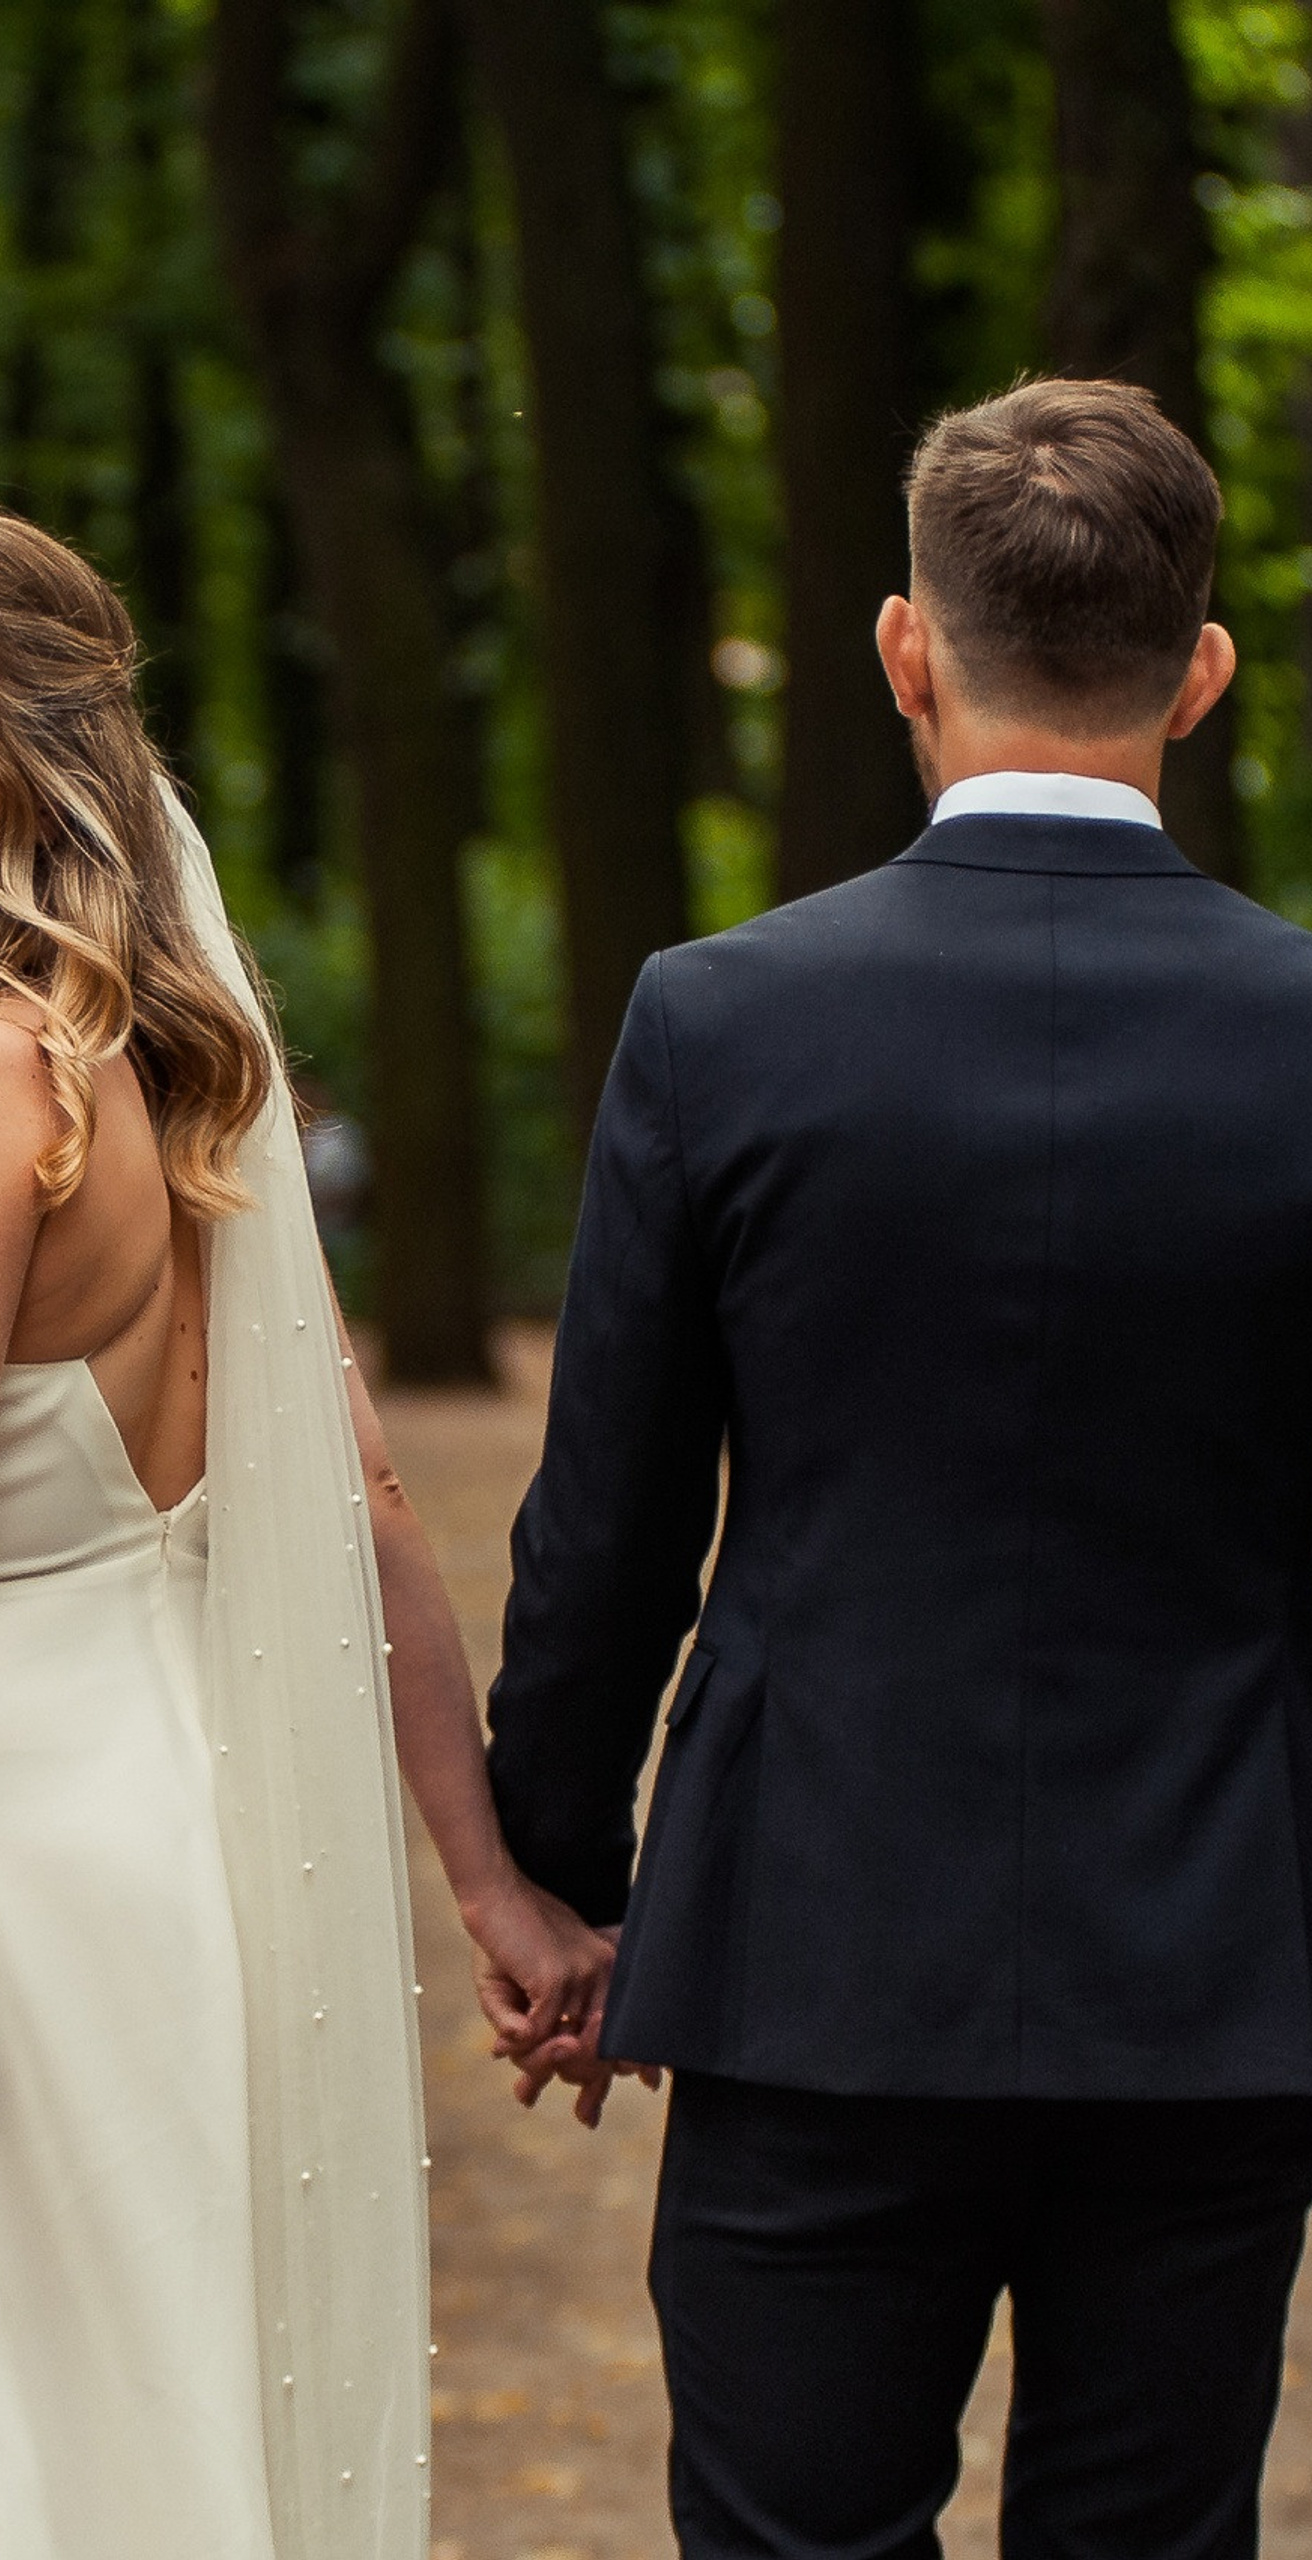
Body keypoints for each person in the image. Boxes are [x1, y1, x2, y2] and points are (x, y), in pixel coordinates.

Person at [0, 505, 609, 2560]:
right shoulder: (136, 1065)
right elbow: (352, 1491)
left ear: (36, 775)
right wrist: (485, 1877)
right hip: (161, 1818)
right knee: (108, 2419)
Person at [483, 378, 1312, 2558]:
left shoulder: (720, 1018)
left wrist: (560, 1868)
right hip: (1216, 1953)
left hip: (809, 1942)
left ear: (898, 650)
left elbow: (609, 1525)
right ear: (1198, 675)